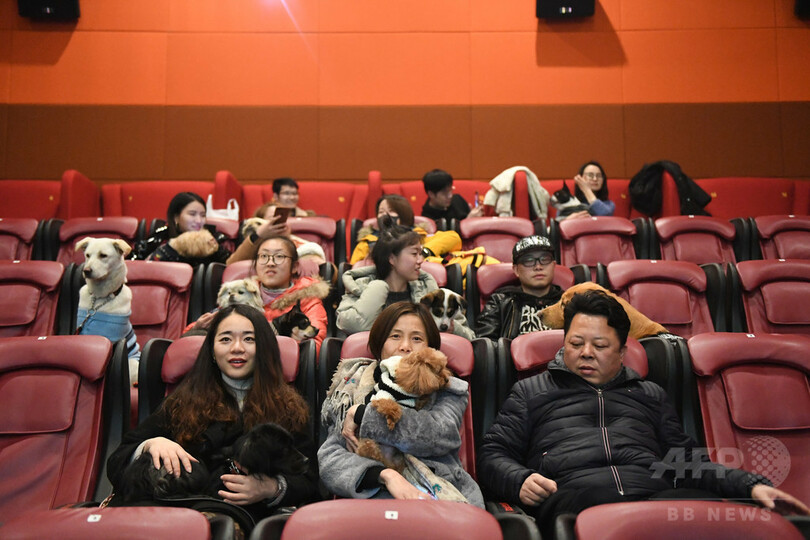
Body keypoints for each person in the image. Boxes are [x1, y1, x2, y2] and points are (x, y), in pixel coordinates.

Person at [477, 290, 809, 538]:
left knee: (699, 505)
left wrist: (750, 486)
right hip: (576, 496)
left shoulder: (649, 394)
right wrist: (519, 480)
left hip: (653, 494)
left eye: (600, 346)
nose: (586, 353)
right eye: (575, 343)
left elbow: (686, 461)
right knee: (596, 502)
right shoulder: (532, 391)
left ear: (623, 351)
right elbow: (493, 454)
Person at [107, 304, 321, 519]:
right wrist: (151, 444)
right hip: (174, 515)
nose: (237, 348)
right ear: (212, 349)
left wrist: (271, 488)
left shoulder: (286, 407)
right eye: (225, 339)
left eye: (249, 339)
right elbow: (116, 461)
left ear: (264, 348)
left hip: (244, 519)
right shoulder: (184, 400)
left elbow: (309, 479)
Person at [319, 301, 484, 507]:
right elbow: (330, 459)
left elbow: (437, 435)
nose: (405, 346)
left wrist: (363, 415)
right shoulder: (353, 385)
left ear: (430, 348)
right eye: (395, 336)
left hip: (437, 491)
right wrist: (385, 475)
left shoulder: (447, 387)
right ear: (380, 344)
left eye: (417, 338)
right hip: (371, 496)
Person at [337, 221, 474, 339]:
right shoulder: (360, 286)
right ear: (392, 258)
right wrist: (376, 291)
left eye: (420, 253)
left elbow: (470, 337)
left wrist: (453, 329)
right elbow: (349, 325)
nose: (420, 260)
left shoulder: (429, 291)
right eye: (414, 254)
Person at [191, 235, 329, 350]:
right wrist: (197, 327)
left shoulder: (307, 297)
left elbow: (314, 344)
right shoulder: (242, 293)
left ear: (294, 266)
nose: (270, 263)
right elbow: (189, 339)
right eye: (263, 256)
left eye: (279, 256)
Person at [476, 235, 563, 340]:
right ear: (516, 270)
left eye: (545, 259)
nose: (538, 267)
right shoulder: (500, 302)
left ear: (554, 265)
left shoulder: (567, 302)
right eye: (529, 261)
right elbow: (485, 343)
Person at [350, 194, 461, 266]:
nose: (385, 215)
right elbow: (354, 269)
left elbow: (453, 237)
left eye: (391, 211)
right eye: (381, 212)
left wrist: (424, 252)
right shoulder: (368, 242)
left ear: (404, 213)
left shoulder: (419, 236)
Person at [227, 202, 326, 279]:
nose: (279, 222)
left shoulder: (301, 244)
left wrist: (320, 265)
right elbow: (231, 267)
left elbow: (329, 272)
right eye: (272, 218)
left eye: (282, 218)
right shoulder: (253, 242)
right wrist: (259, 235)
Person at [133, 192, 231, 264]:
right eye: (192, 214)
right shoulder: (159, 238)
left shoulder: (213, 239)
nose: (199, 220)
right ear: (176, 217)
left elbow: (228, 265)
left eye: (203, 215)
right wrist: (169, 249)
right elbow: (134, 265)